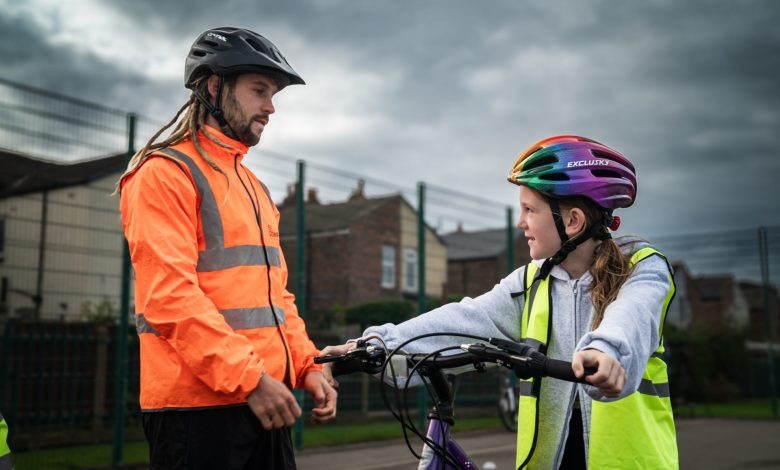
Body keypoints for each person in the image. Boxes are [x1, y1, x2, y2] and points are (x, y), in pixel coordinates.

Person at [322, 135, 678, 469]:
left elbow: (631, 317)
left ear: (572, 221)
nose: (520, 223)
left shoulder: (642, 269)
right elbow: (464, 319)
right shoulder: (530, 282)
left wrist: (606, 352)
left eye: (529, 210)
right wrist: (374, 347)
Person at [118, 27, 336, 470]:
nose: (271, 106)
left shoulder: (253, 187)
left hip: (264, 399)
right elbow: (168, 299)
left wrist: (307, 364)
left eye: (273, 94)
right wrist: (250, 379)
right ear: (214, 86)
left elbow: (277, 301)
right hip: (196, 410)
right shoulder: (163, 174)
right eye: (260, 90)